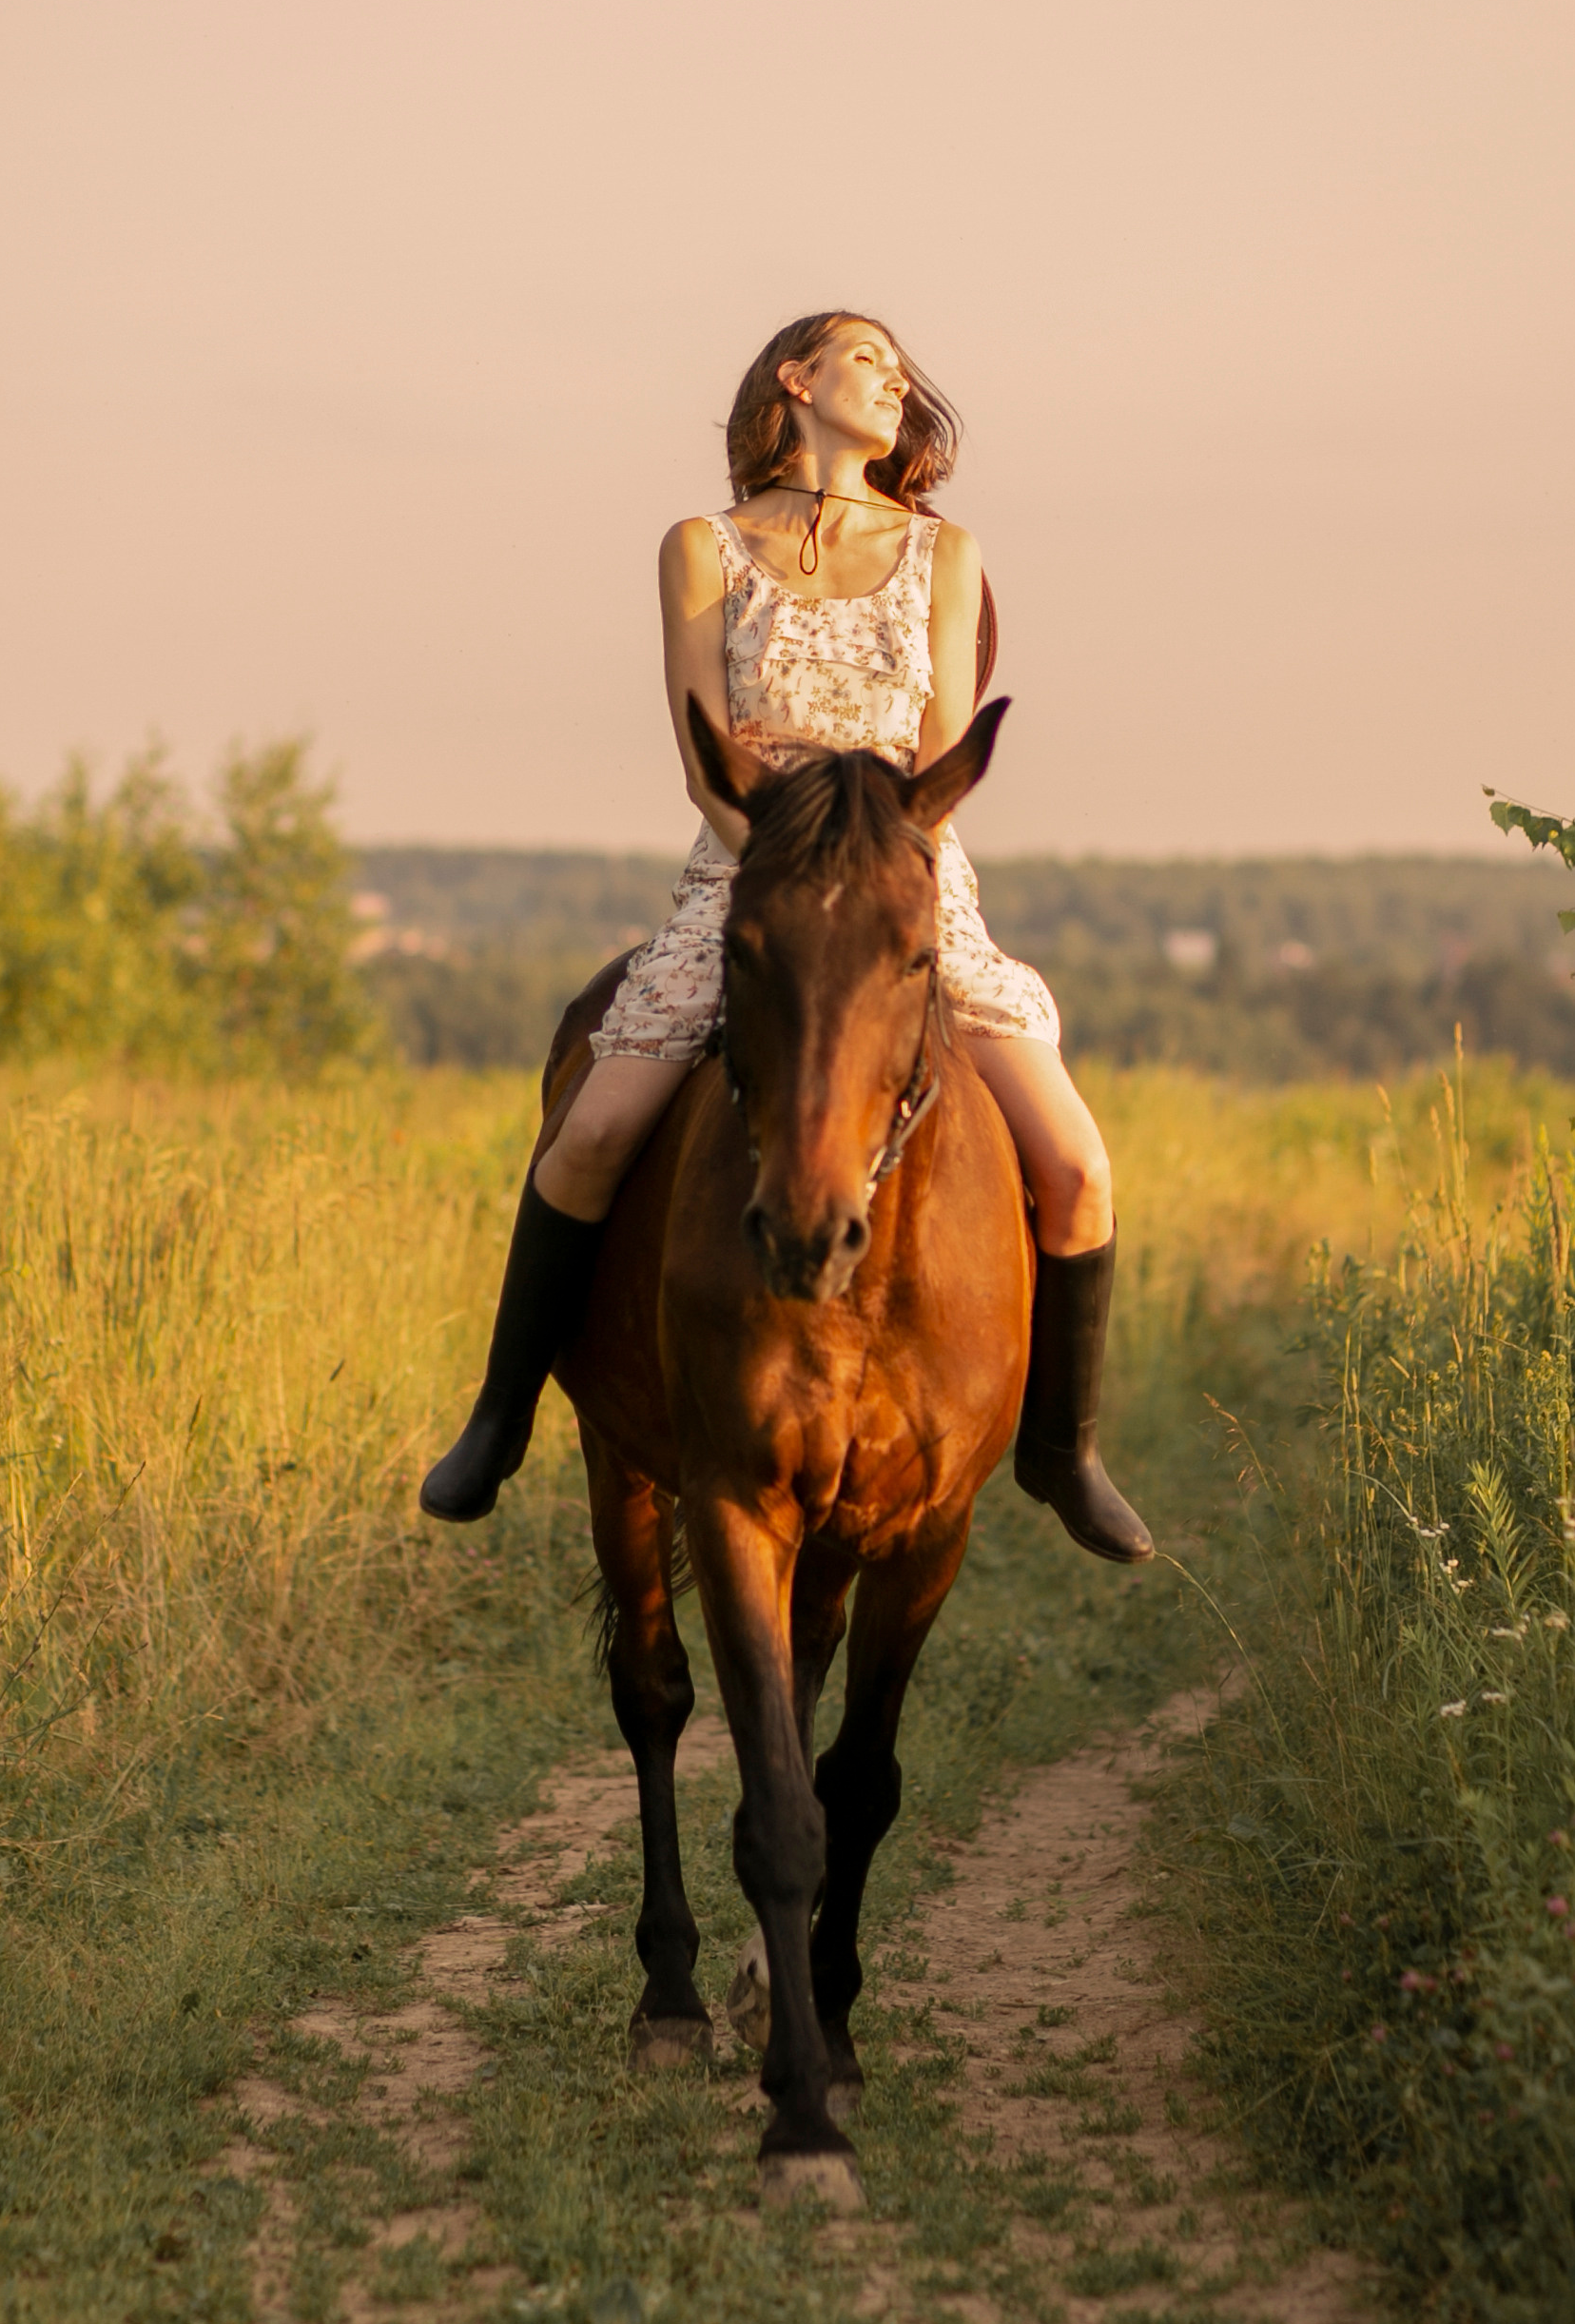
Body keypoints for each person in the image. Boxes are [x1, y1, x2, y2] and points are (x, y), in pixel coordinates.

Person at [418, 310, 1152, 1565]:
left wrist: (875, 857)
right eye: (871, 359)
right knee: (589, 1135)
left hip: (904, 879)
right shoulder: (700, 548)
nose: (896, 381)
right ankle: (500, 1417)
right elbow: (703, 754)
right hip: (747, 872)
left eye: (903, 372)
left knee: (1078, 1165)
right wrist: (776, 852)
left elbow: (938, 758)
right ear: (798, 379)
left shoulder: (945, 553)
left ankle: (1063, 1451)